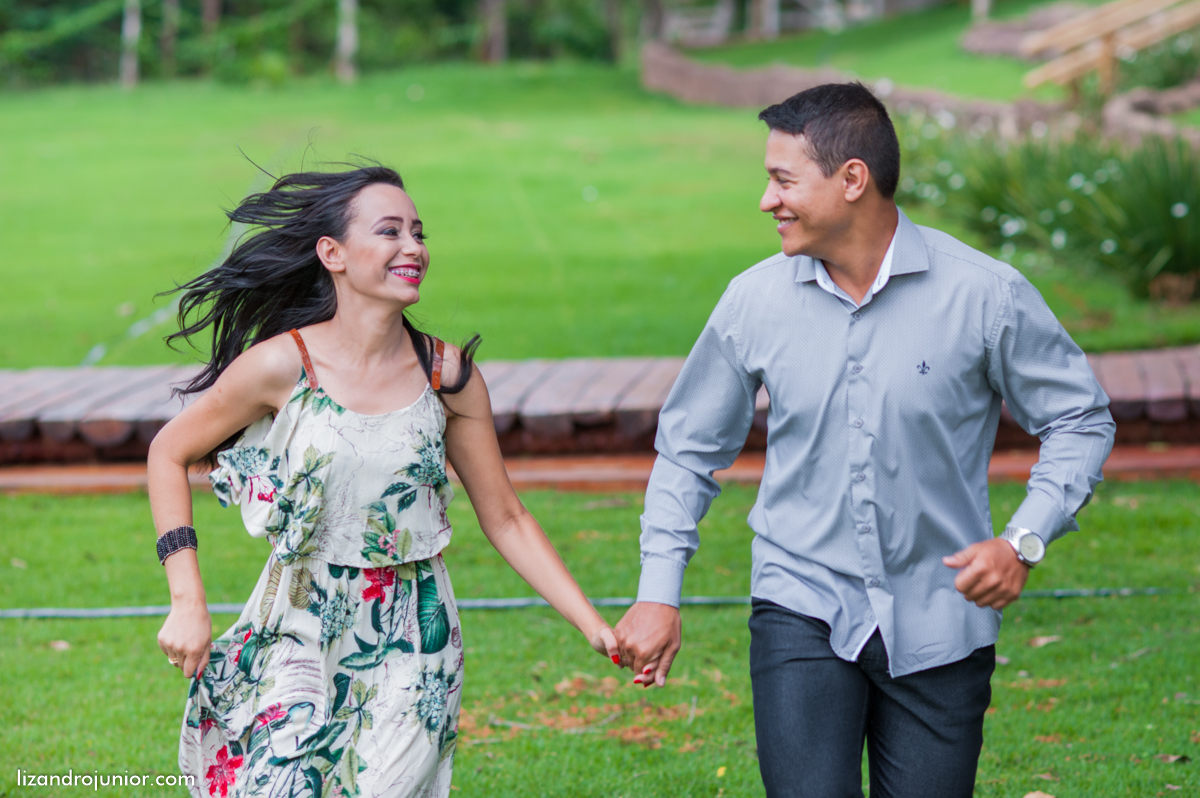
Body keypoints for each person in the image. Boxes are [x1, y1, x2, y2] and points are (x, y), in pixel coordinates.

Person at [613, 83, 1115, 796]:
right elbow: (689, 450)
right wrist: (659, 592)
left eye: (783, 180)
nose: (767, 200)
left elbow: (1080, 419)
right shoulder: (753, 301)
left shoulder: (983, 295)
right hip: (800, 602)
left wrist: (1023, 539)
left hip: (943, 613)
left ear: (853, 179)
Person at [149, 165, 620, 798]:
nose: (413, 248)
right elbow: (168, 452)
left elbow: (506, 517)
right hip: (294, 623)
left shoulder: (446, 376)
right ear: (332, 254)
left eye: (418, 233)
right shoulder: (282, 366)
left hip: (412, 640)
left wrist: (593, 625)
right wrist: (187, 600)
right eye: (390, 231)